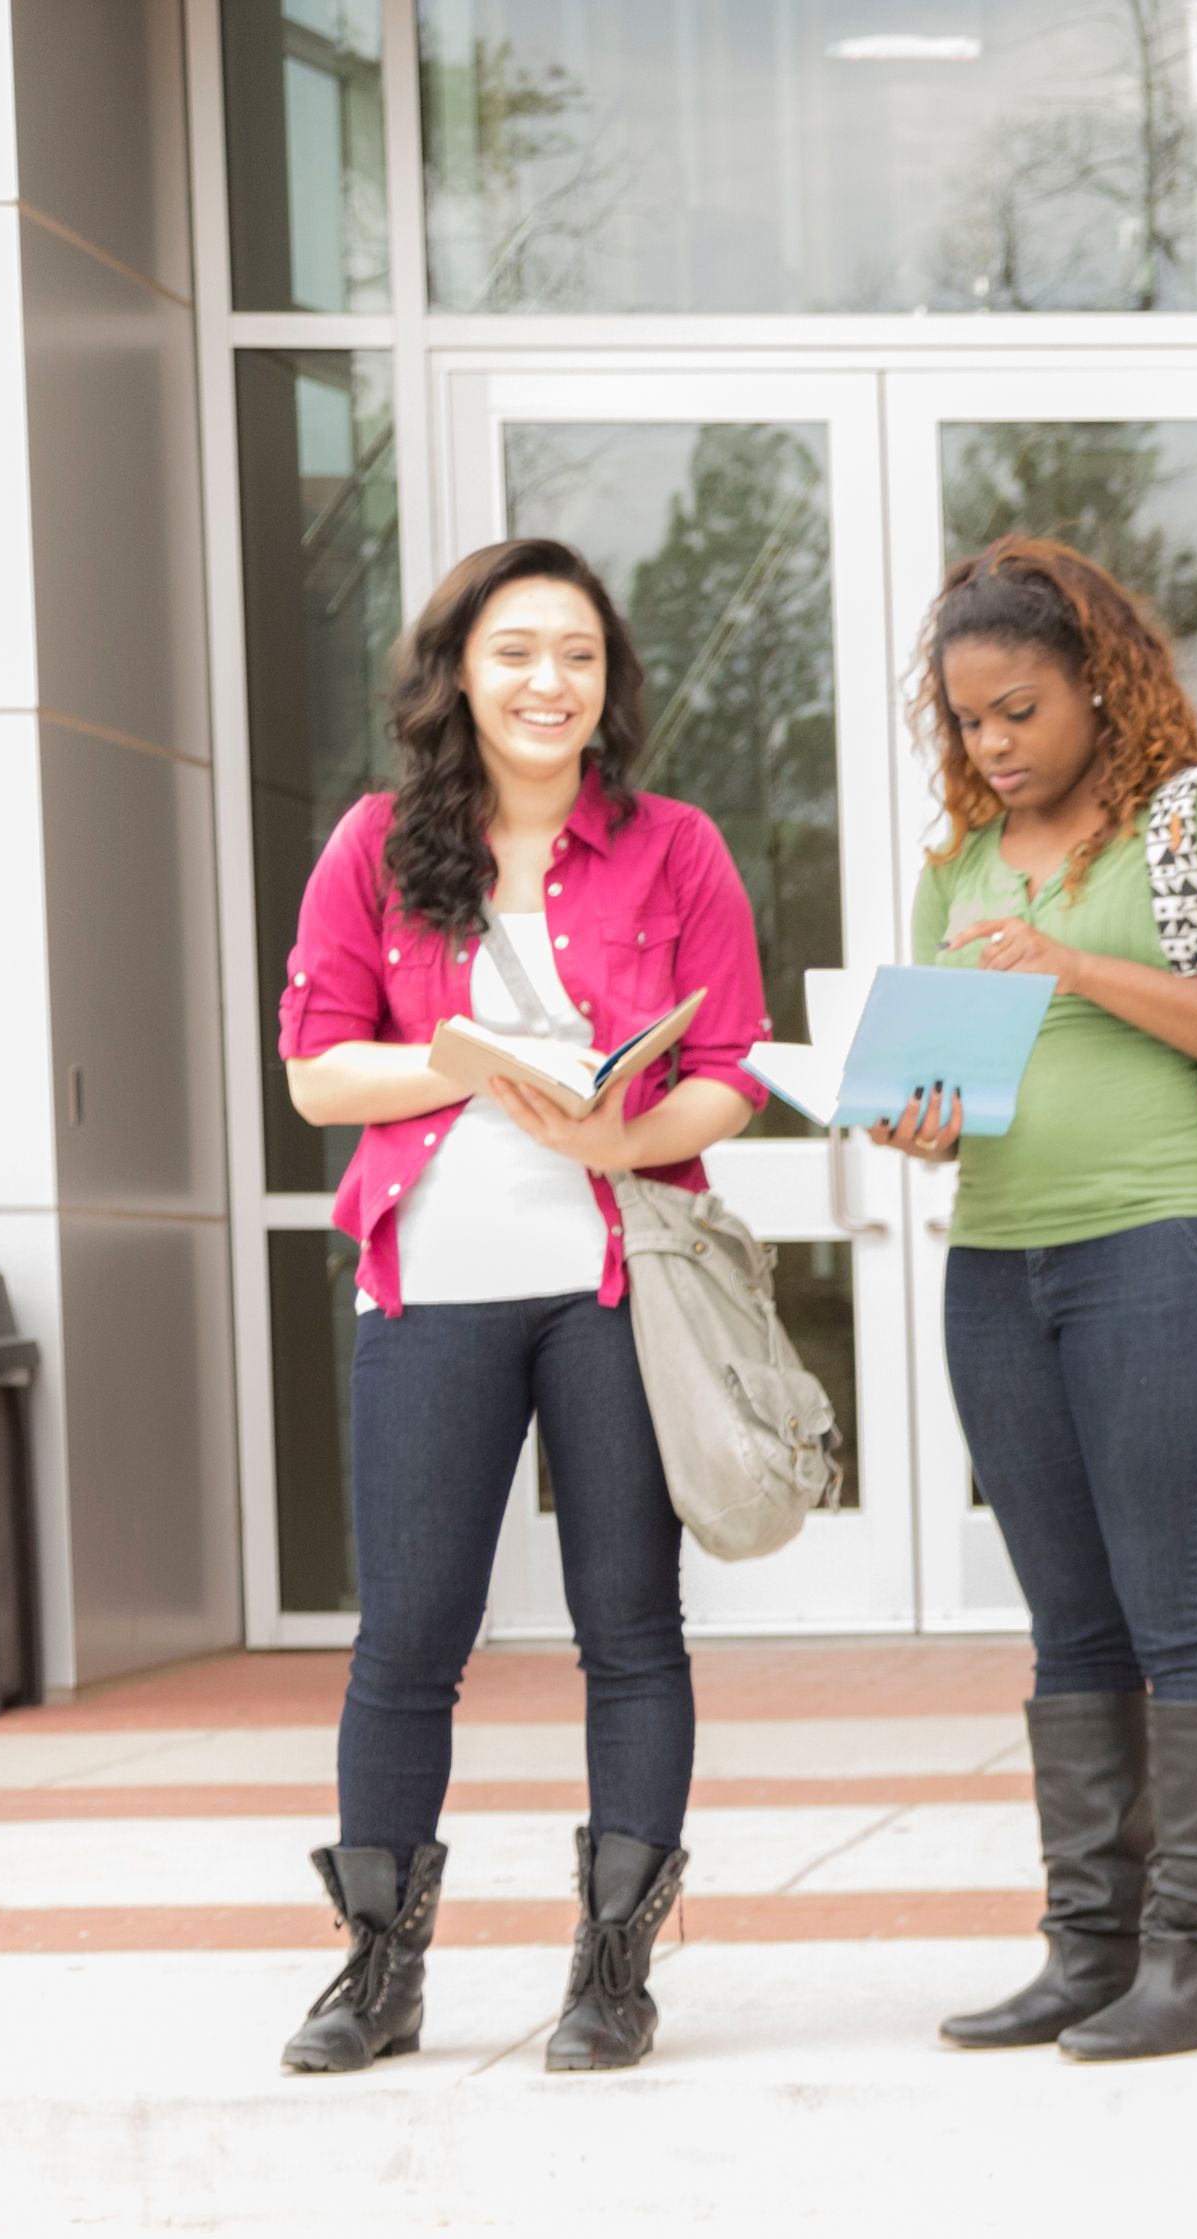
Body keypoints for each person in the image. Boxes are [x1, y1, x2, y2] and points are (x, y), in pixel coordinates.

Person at [271, 534, 767, 2077]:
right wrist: (463, 1061)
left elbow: (735, 1070)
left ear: (606, 685)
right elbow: (313, 1069)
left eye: (578, 657)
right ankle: (378, 1970)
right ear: (460, 675)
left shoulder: (674, 844)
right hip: (434, 1286)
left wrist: (623, 1132)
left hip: (615, 1283)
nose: (549, 682)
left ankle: (613, 1969)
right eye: (517, 652)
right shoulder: (372, 842)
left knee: (631, 1628)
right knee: (408, 1636)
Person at [871, 537, 1197, 2063]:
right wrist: (914, 1109)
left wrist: (1072, 962)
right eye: (969, 723)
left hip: (1163, 1252)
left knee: (1178, 1610)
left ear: (1098, 686)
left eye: (1019, 712)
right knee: (1070, 1622)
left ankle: (1193, 1965)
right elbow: (966, 1059)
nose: (993, 748)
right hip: (999, 1262)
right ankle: (1088, 1950)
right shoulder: (957, 864)